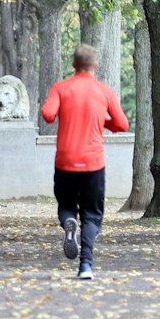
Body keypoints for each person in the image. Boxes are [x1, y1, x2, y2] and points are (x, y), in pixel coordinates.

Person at [40, 43, 129, 279]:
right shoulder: (104, 91)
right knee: (91, 214)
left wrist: (64, 112)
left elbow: (48, 115)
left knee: (66, 206)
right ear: (95, 65)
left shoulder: (60, 88)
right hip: (93, 163)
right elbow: (122, 124)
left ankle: (69, 222)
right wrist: (102, 120)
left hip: (65, 160)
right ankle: (86, 266)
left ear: (73, 65)